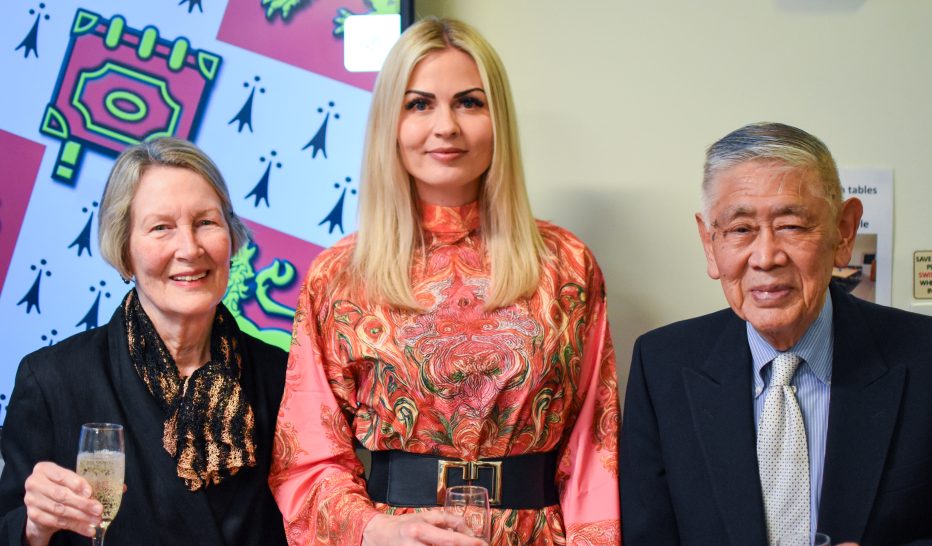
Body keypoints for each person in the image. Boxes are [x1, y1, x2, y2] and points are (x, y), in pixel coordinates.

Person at [269, 17, 621, 546]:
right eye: (419, 104)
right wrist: (375, 530)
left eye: (469, 102)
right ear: (390, 122)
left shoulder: (566, 264)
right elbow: (308, 455)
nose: (446, 126)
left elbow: (596, 446)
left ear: (498, 119)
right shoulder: (338, 276)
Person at [619, 122, 932, 546]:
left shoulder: (923, 356)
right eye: (740, 229)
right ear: (709, 243)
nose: (765, 257)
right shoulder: (662, 366)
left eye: (792, 226)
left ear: (843, 231)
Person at [0, 138, 288, 546]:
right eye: (161, 228)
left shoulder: (283, 377)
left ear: (232, 236)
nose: (189, 248)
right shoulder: (53, 380)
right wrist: (34, 527)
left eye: (206, 222)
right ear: (124, 252)